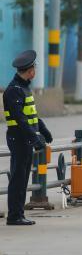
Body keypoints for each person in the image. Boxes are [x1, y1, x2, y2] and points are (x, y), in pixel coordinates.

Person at [4, 50, 53, 226]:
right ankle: (14, 215)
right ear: (30, 71)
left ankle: (19, 213)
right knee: (18, 178)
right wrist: (35, 138)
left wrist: (43, 129)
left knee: (23, 178)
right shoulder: (14, 90)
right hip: (19, 139)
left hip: (25, 139)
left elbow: (31, 114)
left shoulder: (24, 88)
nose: (35, 71)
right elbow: (20, 119)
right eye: (34, 68)